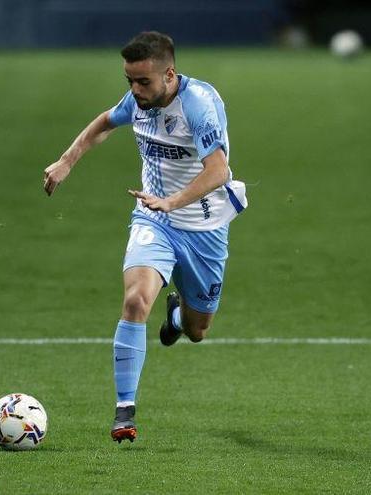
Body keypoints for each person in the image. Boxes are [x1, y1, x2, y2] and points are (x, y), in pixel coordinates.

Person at [43, 31, 247, 442]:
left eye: (143, 82)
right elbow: (105, 122)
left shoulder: (200, 105)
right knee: (135, 300)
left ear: (168, 74)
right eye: (129, 81)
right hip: (153, 220)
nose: (134, 91)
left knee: (197, 330)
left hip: (204, 227)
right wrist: (67, 161)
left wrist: (173, 201)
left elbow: (218, 172)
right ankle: (124, 411)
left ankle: (176, 316)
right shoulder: (139, 102)